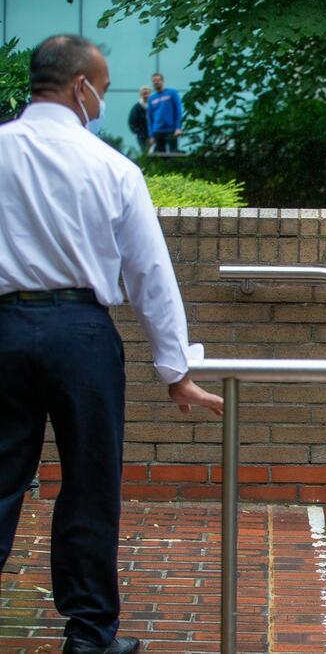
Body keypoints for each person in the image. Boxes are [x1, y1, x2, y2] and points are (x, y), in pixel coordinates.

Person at [0, 35, 223, 654]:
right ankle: (90, 636)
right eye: (100, 86)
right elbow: (149, 273)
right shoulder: (112, 167)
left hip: (4, 331)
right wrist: (176, 369)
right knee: (90, 485)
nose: (102, 99)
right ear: (80, 87)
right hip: (81, 334)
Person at [146, 72, 182, 153]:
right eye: (154, 81)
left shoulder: (172, 93)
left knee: (174, 154)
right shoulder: (151, 98)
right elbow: (150, 118)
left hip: (171, 130)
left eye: (157, 80)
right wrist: (151, 135)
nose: (156, 82)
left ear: (162, 81)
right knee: (160, 156)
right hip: (157, 131)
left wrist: (178, 127)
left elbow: (178, 111)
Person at [126, 85, 150, 153]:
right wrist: (139, 132)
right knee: (145, 153)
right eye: (143, 93)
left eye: (147, 93)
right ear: (140, 95)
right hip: (142, 137)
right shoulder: (136, 108)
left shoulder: (154, 106)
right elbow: (131, 122)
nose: (145, 95)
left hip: (154, 136)